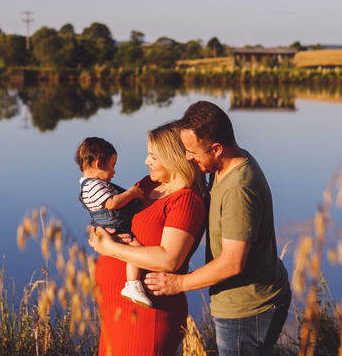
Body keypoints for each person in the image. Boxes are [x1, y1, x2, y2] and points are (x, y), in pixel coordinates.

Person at [143, 101, 291, 356]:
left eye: (192, 152)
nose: (188, 157)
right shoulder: (224, 165)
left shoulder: (238, 189)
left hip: (247, 308)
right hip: (249, 299)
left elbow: (233, 263)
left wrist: (179, 284)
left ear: (217, 148)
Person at [87, 123, 207, 356]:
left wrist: (110, 249)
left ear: (174, 158)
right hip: (116, 309)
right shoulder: (148, 183)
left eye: (153, 156)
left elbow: (168, 259)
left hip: (149, 312)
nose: (146, 161)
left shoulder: (186, 200)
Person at [74, 136, 152, 306]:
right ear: (99, 164)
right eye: (112, 166)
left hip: (111, 226)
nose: (114, 172)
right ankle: (132, 284)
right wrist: (131, 193)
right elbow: (111, 203)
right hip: (113, 226)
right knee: (136, 250)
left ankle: (133, 284)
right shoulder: (92, 186)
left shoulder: (94, 184)